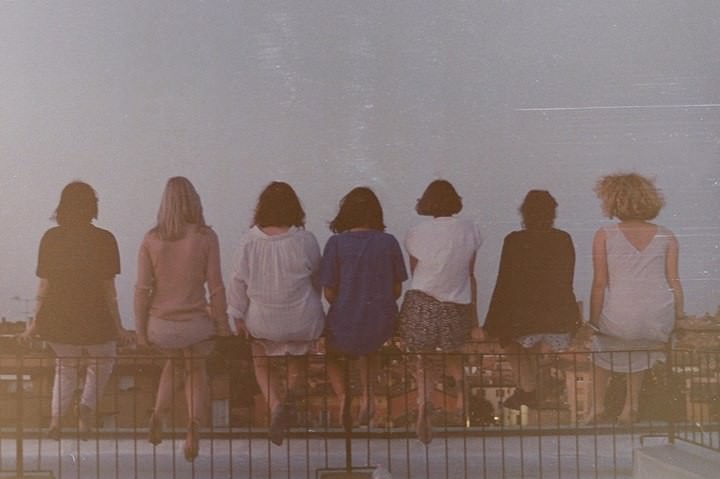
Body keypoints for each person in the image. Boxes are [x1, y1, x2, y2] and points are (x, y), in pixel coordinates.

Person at [19, 181, 131, 438]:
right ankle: (86, 408)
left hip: (58, 320)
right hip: (96, 320)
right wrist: (119, 327)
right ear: (92, 207)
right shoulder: (105, 239)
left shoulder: (51, 238)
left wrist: (34, 324)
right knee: (103, 360)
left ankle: (56, 421)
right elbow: (109, 291)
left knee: (65, 366)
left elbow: (44, 286)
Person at [134, 177, 231, 461]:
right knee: (195, 368)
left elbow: (141, 289)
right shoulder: (206, 236)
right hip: (196, 325)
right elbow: (216, 287)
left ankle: (158, 413)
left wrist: (140, 332)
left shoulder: (151, 239)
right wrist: (222, 326)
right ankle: (193, 426)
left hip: (161, 325)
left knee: (174, 362)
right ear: (194, 200)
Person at [227, 181, 325, 446]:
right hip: (301, 316)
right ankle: (291, 395)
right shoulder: (305, 240)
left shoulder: (248, 241)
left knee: (260, 360)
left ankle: (276, 405)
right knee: (297, 356)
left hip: (263, 320)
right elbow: (317, 277)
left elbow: (237, 281)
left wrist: (237, 315)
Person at [583, 173, 685, 424]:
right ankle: (631, 407)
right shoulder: (667, 236)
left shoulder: (604, 234)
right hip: (657, 316)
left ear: (614, 200)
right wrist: (679, 318)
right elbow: (674, 281)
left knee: (600, 348)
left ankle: (597, 406)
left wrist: (593, 322)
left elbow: (599, 284)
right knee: (640, 349)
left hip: (621, 313)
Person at [396, 179, 483, 444]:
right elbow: (470, 273)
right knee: (453, 352)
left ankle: (425, 401)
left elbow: (416, 273)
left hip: (421, 302)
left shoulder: (415, 232)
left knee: (424, 359)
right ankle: (461, 392)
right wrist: (474, 319)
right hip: (456, 305)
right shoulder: (471, 229)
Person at [483, 190, 581, 412]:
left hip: (523, 314)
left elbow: (504, 282)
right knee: (532, 349)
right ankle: (525, 391)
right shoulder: (563, 239)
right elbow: (567, 279)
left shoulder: (514, 240)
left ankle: (528, 391)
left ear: (525, 213)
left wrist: (491, 323)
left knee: (509, 343)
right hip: (556, 313)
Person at [319, 187, 407, 428]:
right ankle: (368, 395)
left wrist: (346, 303)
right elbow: (397, 288)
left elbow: (328, 291)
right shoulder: (389, 242)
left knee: (331, 355)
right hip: (380, 320)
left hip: (345, 319)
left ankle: (344, 396)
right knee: (371, 349)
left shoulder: (336, 243)